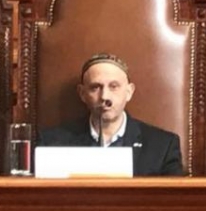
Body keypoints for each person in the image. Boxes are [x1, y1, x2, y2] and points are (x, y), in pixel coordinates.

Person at [38, 53, 183, 176]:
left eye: (114, 87)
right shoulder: (51, 143)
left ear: (129, 92)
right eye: (95, 87)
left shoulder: (163, 146)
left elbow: (174, 202)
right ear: (82, 94)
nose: (104, 96)